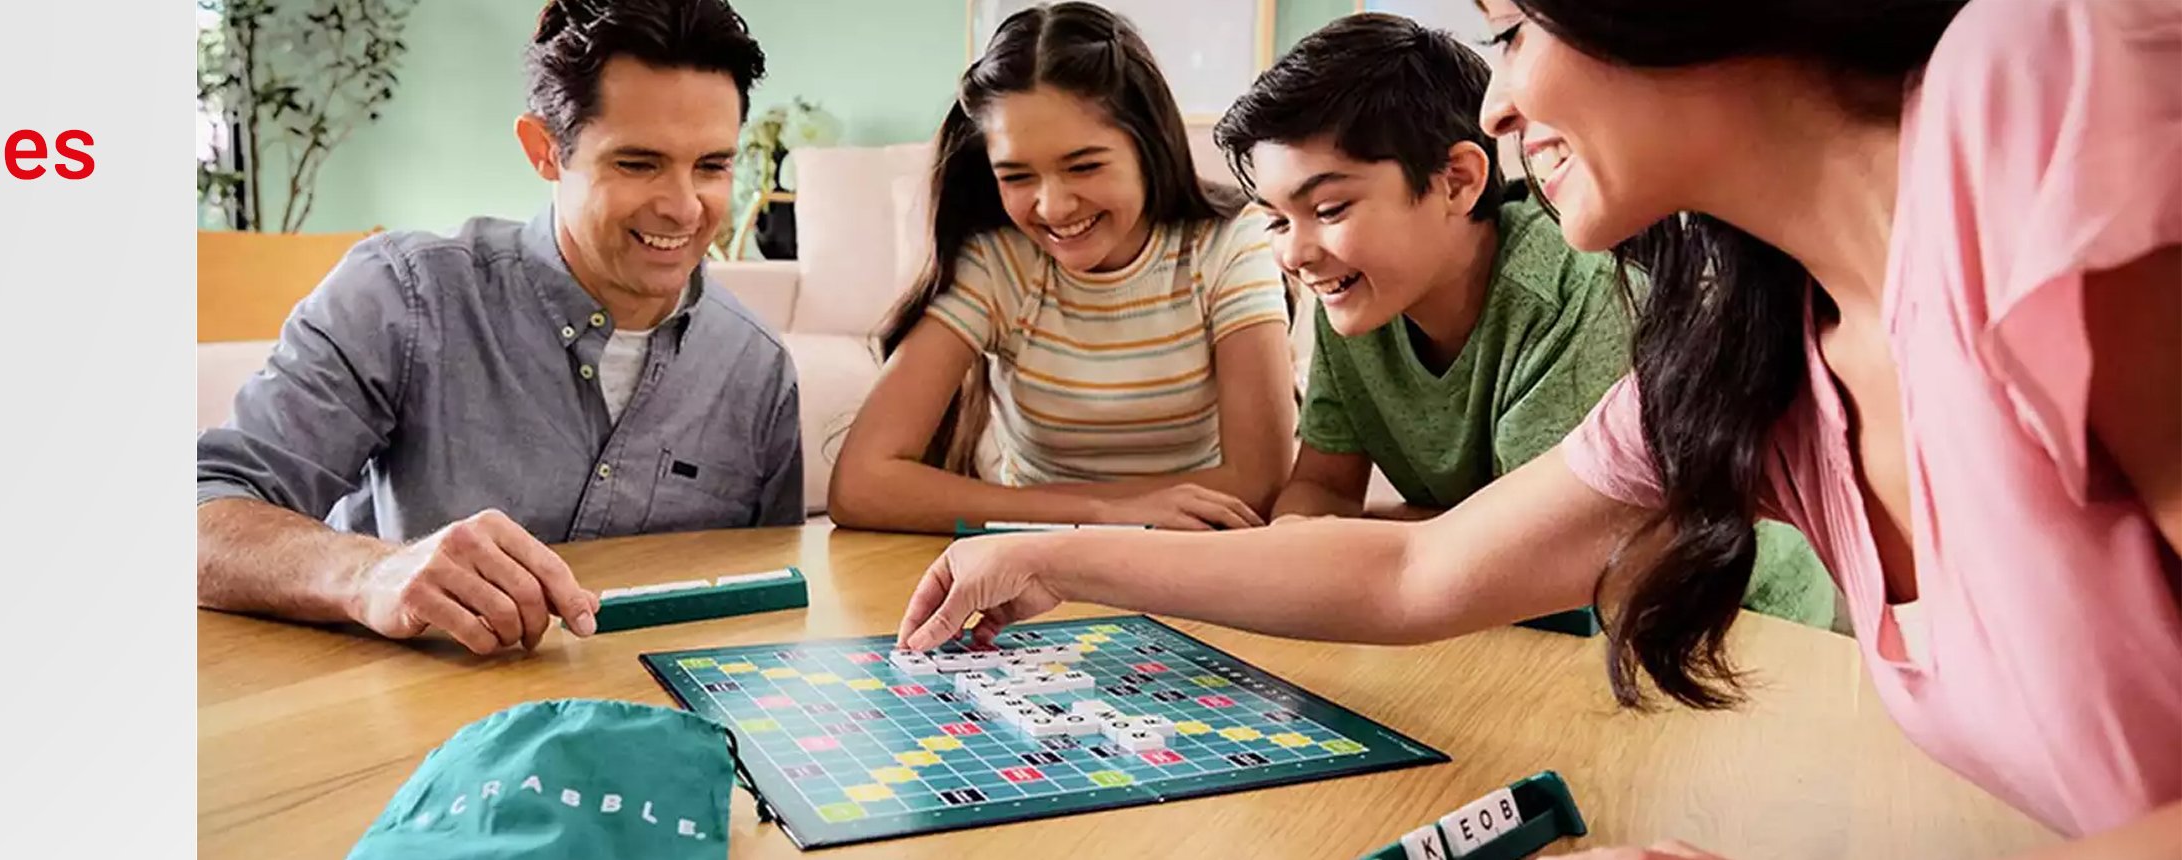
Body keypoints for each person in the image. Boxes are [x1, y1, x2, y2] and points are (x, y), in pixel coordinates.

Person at [894, 0, 2182, 853]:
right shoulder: (1750, 364)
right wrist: (1048, 554)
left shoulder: (2035, 94)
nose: (1498, 109)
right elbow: (1414, 567)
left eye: (1511, 31)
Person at [195, 0, 805, 655]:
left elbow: (772, 604)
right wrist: (372, 572)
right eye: (637, 163)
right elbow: (201, 518)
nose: (685, 206)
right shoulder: (402, 295)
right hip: (408, 731)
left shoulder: (757, 369)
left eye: (712, 166)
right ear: (544, 149)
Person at [1214, 13, 1839, 632]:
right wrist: (1302, 539)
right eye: (1275, 220)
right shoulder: (1358, 295)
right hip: (1501, 608)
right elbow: (1321, 489)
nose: (1294, 254)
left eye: (1329, 208)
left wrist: (1358, 538)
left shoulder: (1571, 292)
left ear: (1457, 181)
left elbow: (1538, 564)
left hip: (1726, 622)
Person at [825, 1, 1297, 535]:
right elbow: (861, 484)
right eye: (1017, 176)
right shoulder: (1000, 262)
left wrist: (1106, 514)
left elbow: (1259, 481)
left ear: (1149, 145)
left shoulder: (1230, 245)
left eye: (1085, 165)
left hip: (1197, 552)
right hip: (1037, 552)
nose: (1052, 207)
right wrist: (1103, 514)